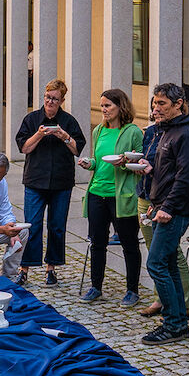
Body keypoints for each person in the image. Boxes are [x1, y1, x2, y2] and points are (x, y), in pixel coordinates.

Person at [141, 82, 189, 344]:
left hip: (174, 211)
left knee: (156, 263)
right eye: (155, 103)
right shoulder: (166, 132)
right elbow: (167, 173)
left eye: (162, 104)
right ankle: (178, 322)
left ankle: (174, 323)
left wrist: (166, 207)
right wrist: (150, 170)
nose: (156, 108)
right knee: (166, 265)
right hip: (162, 206)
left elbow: (185, 179)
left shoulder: (186, 135)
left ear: (178, 104)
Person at [14, 78, 86, 287]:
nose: (50, 101)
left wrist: (63, 135)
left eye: (55, 98)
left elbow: (76, 149)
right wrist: (39, 134)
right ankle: (24, 268)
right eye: (47, 97)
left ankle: (51, 269)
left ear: (62, 100)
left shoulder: (69, 122)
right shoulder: (32, 119)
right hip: (35, 181)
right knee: (31, 225)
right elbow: (24, 148)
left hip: (61, 183)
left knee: (56, 227)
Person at [76, 88, 145, 304]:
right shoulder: (98, 131)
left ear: (120, 106)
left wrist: (124, 163)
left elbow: (141, 164)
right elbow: (99, 161)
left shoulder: (133, 132)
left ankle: (132, 290)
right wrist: (90, 163)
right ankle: (96, 287)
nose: (103, 109)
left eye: (108, 105)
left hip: (121, 196)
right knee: (97, 243)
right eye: (102, 105)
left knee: (129, 243)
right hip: (97, 193)